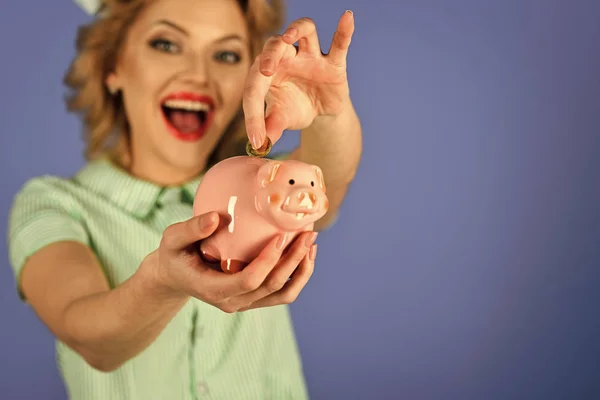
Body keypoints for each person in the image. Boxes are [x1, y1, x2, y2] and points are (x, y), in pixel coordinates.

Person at [6, 0, 362, 398]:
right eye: (167, 44)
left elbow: (329, 175)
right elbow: (89, 338)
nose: (198, 75)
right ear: (113, 66)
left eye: (226, 54)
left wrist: (328, 112)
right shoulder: (54, 205)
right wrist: (162, 282)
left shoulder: (265, 180)